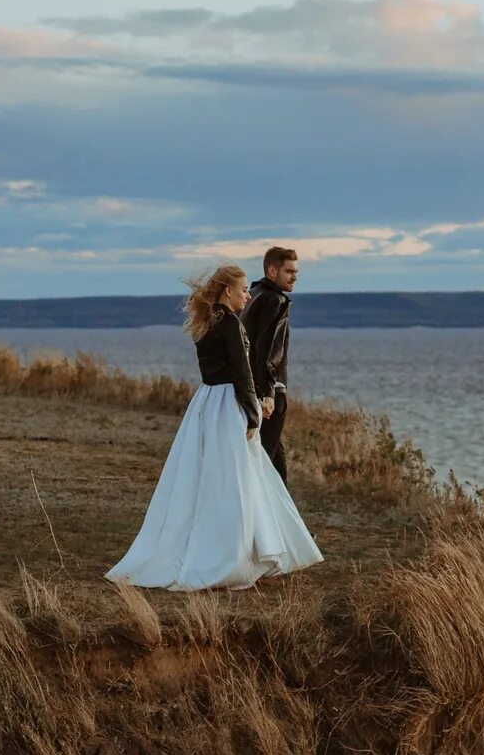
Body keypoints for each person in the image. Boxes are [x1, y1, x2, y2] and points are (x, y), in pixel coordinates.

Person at [106, 263, 323, 591]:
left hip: (206, 403)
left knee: (206, 477)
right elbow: (242, 373)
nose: (247, 296)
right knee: (233, 480)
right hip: (227, 404)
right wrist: (253, 415)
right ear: (228, 292)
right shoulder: (231, 324)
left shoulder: (206, 323)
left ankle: (241, 547)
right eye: (243, 290)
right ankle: (233, 554)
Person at [243, 245, 298, 485]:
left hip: (250, 386)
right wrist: (268, 392)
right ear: (272, 271)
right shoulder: (274, 300)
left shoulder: (252, 294)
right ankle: (263, 519)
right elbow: (268, 349)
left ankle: (282, 519)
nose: (294, 277)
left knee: (274, 458)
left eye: (296, 272)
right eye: (289, 271)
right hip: (269, 391)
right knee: (263, 459)